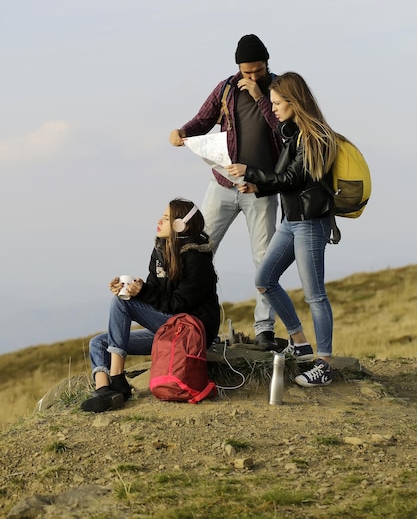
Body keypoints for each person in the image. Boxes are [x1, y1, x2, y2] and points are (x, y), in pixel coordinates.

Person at [169, 34, 282, 350]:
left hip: (262, 190)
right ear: (238, 68)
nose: (251, 76)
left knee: (265, 260)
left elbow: (283, 129)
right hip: (222, 186)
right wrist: (181, 133)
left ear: (266, 65)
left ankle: (264, 330)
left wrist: (260, 94)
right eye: (246, 72)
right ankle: (192, 323)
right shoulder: (225, 89)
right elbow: (203, 120)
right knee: (198, 250)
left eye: (257, 70)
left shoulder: (278, 90)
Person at [227, 72, 339, 386]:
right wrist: (257, 186)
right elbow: (287, 179)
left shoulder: (314, 136)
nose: (273, 109)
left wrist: (251, 171)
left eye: (277, 103)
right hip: (291, 221)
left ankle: (324, 365)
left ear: (294, 101)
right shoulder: (295, 133)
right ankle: (300, 342)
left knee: (315, 296)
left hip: (310, 225)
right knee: (264, 279)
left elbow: (292, 179)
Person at [81, 198, 220, 412]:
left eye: (166, 218)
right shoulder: (160, 251)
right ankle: (105, 391)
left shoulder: (197, 258)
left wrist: (140, 293)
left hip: (192, 331)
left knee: (121, 304)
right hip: (170, 328)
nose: (159, 221)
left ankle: (118, 380)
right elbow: (155, 290)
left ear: (180, 225)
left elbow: (179, 305)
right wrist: (129, 289)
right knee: (98, 343)